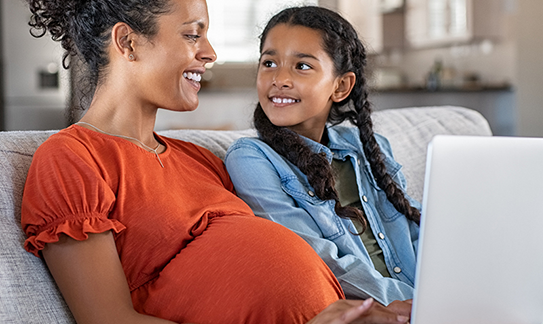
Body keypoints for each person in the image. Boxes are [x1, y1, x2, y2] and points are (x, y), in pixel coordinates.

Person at [20, 0, 411, 323]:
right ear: (128, 42)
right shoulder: (72, 158)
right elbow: (109, 320)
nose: (210, 53)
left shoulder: (200, 160)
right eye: (193, 35)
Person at [225, 6, 421, 307]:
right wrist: (418, 303)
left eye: (301, 66)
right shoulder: (252, 159)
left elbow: (416, 232)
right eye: (269, 63)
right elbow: (315, 258)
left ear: (341, 86)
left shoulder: (368, 148)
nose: (280, 79)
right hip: (374, 309)